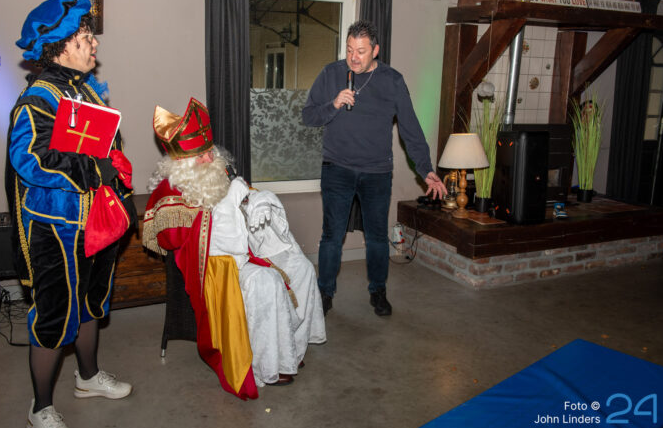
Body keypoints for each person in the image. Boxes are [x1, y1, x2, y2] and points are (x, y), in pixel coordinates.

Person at [6, 0, 133, 428]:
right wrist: (91, 169)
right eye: (84, 37)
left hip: (91, 221)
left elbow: (101, 144)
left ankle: (88, 377)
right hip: (54, 226)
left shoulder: (83, 88)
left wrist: (112, 166)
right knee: (54, 316)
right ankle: (39, 410)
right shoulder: (38, 97)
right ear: (60, 46)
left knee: (92, 302)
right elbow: (29, 157)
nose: (93, 43)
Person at [143, 99, 326, 399]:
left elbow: (243, 195)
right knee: (267, 282)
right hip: (217, 268)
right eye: (201, 155)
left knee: (302, 269)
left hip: (247, 249)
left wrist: (257, 201)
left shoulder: (218, 171)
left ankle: (289, 347)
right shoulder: (172, 190)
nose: (209, 158)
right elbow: (169, 240)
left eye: (209, 150)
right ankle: (270, 363)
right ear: (181, 162)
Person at [302, 20, 447, 317]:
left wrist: (426, 170)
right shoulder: (331, 73)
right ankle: (324, 292)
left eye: (361, 51)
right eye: (349, 50)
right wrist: (334, 104)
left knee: (378, 237)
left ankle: (378, 291)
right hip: (337, 168)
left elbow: (411, 129)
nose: (353, 57)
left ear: (375, 50)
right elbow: (308, 116)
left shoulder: (392, 81)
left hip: (377, 173)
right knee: (332, 236)